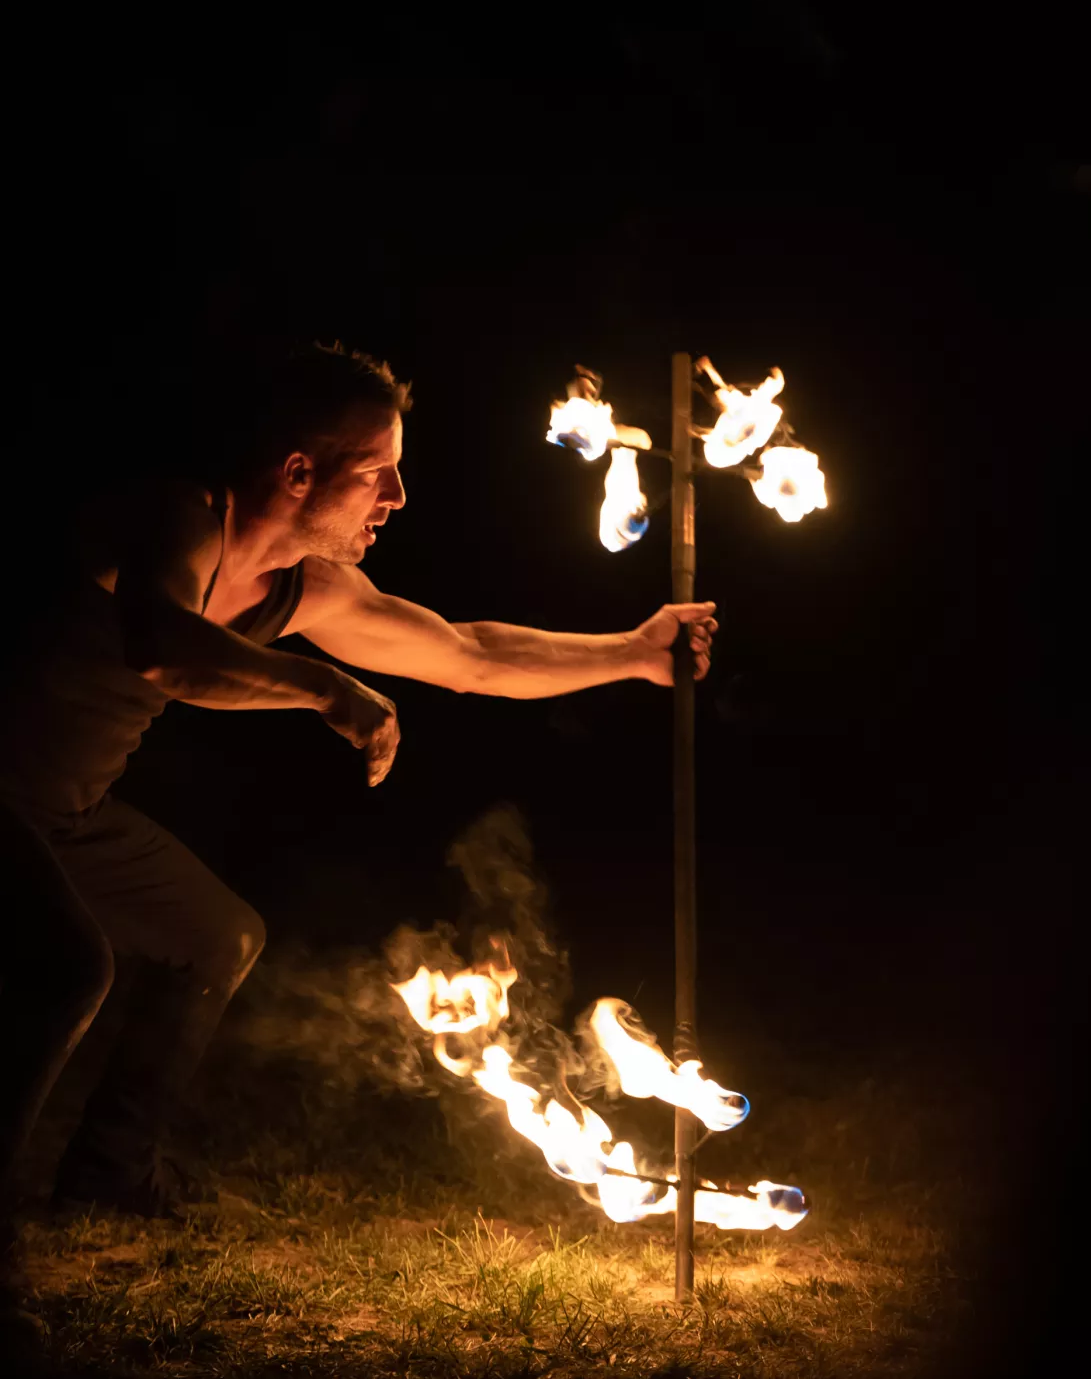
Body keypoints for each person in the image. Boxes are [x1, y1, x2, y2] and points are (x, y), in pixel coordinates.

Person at [0, 340, 716, 1223]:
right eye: (378, 473)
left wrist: (634, 654)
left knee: (214, 935)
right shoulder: (179, 518)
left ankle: (109, 1175)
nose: (398, 498)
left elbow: (470, 655)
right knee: (67, 968)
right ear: (300, 472)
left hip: (65, 817)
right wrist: (325, 688)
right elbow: (163, 648)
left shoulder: (302, 587)